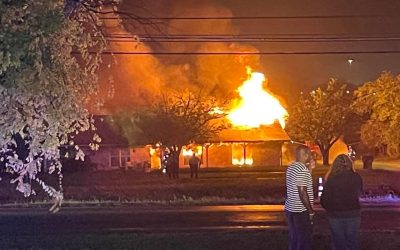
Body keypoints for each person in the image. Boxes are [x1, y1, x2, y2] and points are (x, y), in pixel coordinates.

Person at [321, 154, 363, 250]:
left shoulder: (330, 179)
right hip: (353, 213)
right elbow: (359, 192)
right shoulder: (356, 177)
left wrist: (328, 208)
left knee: (338, 242)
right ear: (350, 164)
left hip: (335, 214)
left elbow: (324, 199)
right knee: (352, 241)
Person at [285, 145, 314, 250]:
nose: (311, 156)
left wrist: (309, 170)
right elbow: (302, 192)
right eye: (310, 154)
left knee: (295, 238)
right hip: (300, 210)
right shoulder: (302, 170)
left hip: (290, 208)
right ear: (306, 155)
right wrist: (310, 210)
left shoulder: (291, 167)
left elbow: (302, 182)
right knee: (304, 239)